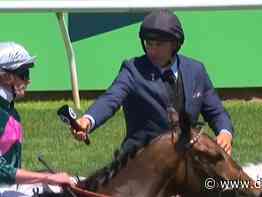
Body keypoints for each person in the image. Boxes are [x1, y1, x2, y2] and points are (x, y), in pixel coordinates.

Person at [72, 10, 235, 160]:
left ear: (175, 44)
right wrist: (88, 121)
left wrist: (225, 133)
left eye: (159, 44)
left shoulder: (196, 70)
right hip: (140, 161)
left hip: (186, 161)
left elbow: (216, 112)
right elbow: (110, 99)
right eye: (149, 44)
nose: (152, 50)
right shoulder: (132, 70)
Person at [0, 42, 75, 190]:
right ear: (6, 77)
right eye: (24, 74)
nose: (28, 80)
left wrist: (43, 177)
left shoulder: (11, 112)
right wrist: (46, 178)